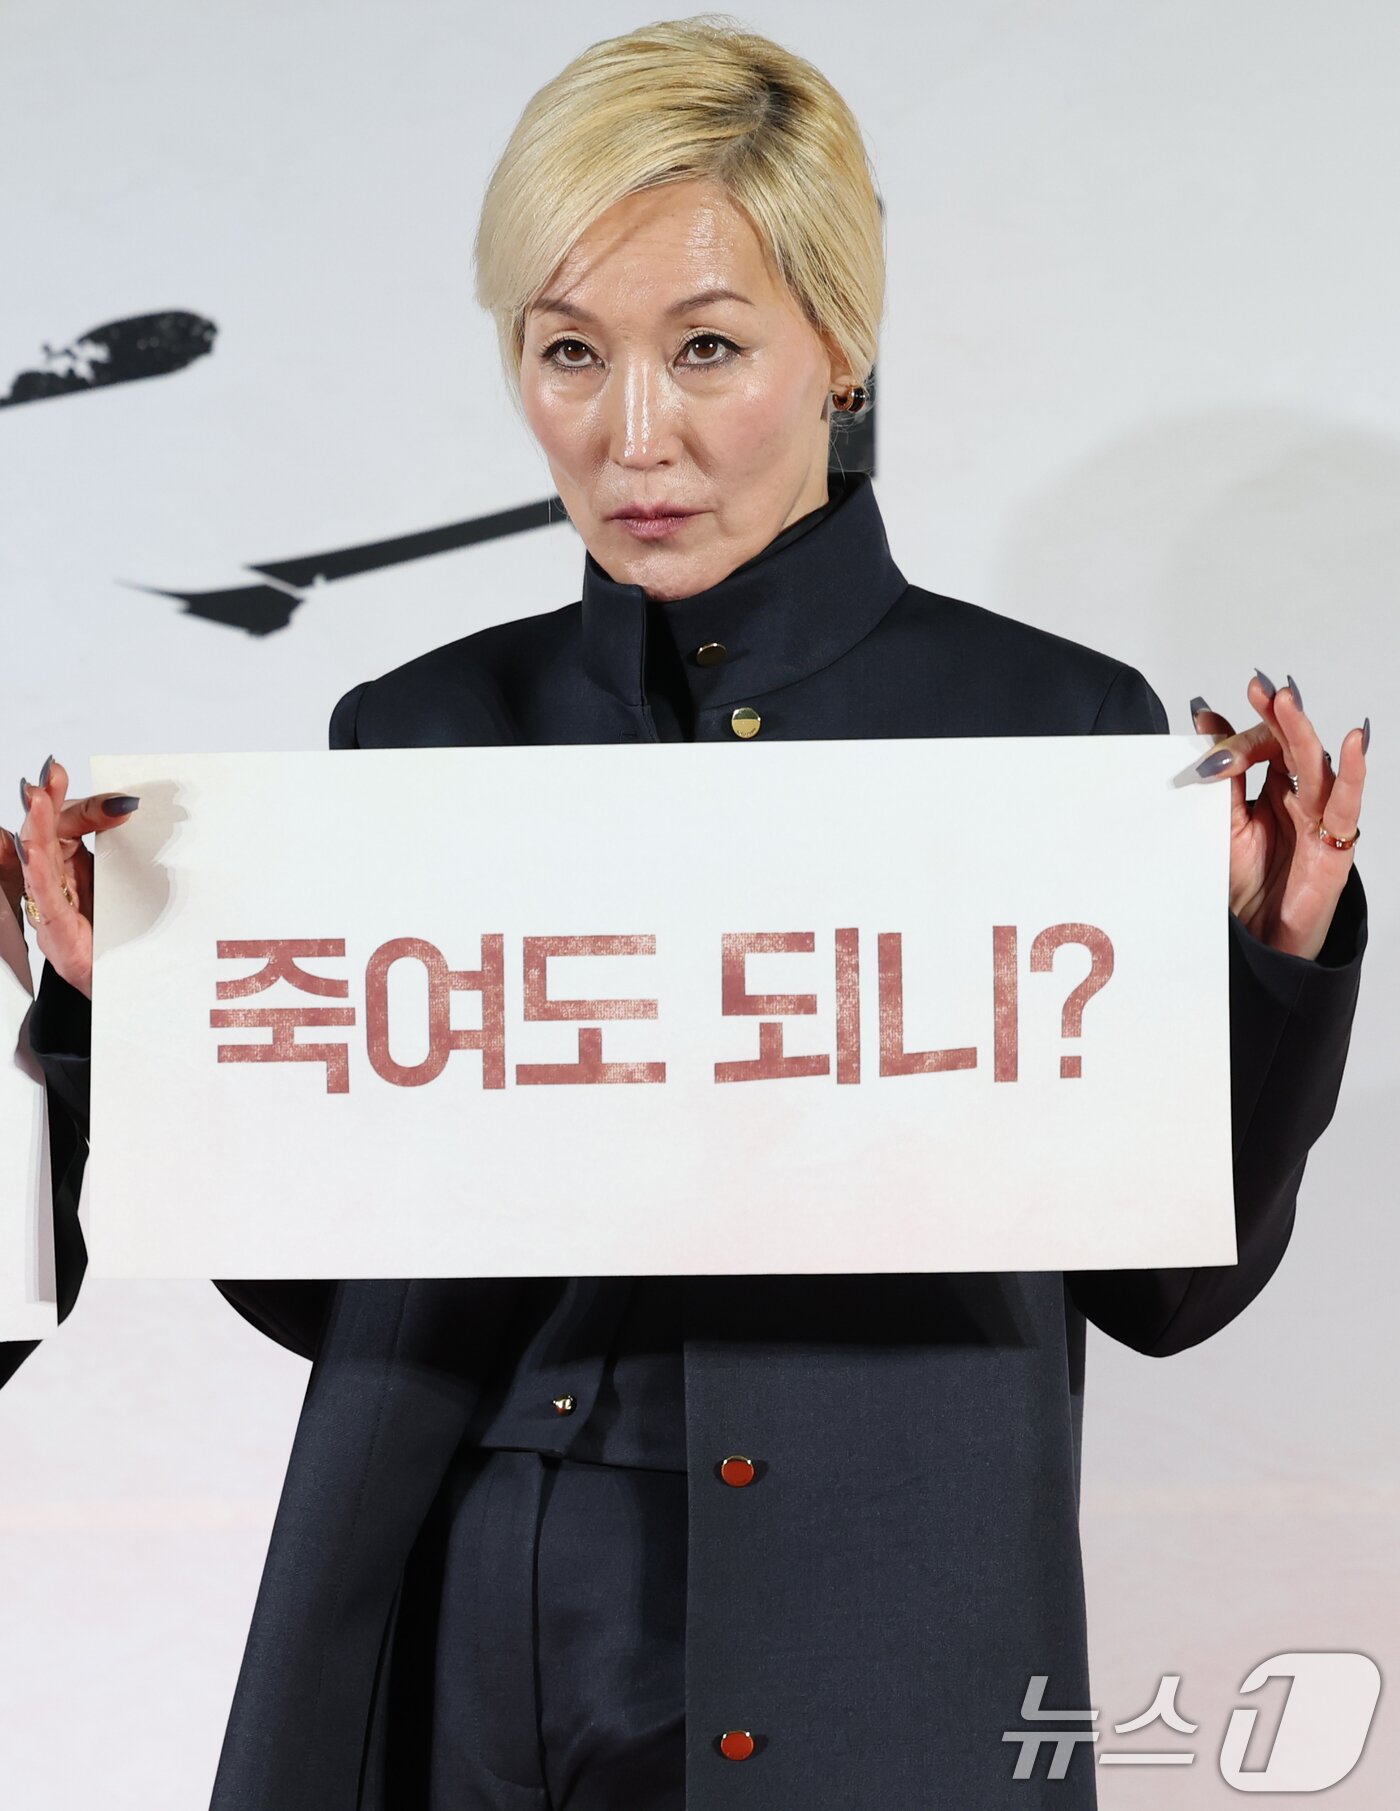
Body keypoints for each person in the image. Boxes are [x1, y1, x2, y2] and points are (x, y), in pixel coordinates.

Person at [0, 17, 1370, 1810]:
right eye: (570, 351)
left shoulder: (1050, 731)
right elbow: (323, 1284)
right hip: (451, 1611)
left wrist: (1274, 957)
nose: (633, 433)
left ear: (842, 347)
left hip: (874, 1637)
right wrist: (129, 1018)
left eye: (707, 347)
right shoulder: (415, 733)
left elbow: (1170, 1290)